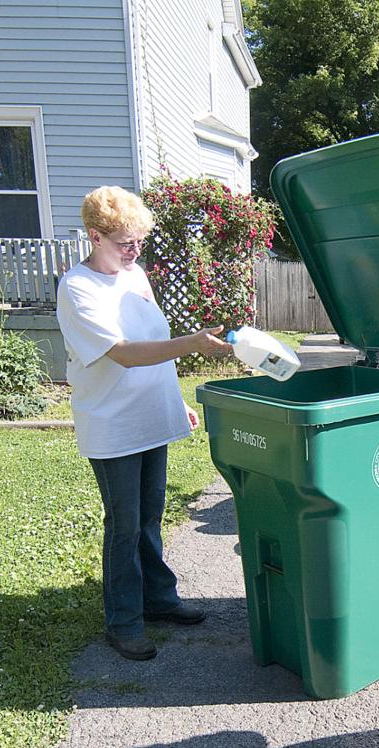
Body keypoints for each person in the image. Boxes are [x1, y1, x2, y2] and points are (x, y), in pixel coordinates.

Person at [56, 186, 231, 661]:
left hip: (151, 416)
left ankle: (158, 599)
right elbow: (125, 354)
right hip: (113, 425)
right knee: (125, 525)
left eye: (139, 242)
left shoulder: (135, 276)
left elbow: (154, 344)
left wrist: (175, 401)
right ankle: (124, 621)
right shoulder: (78, 288)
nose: (135, 251)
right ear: (95, 236)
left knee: (151, 516)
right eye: (126, 243)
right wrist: (192, 344)